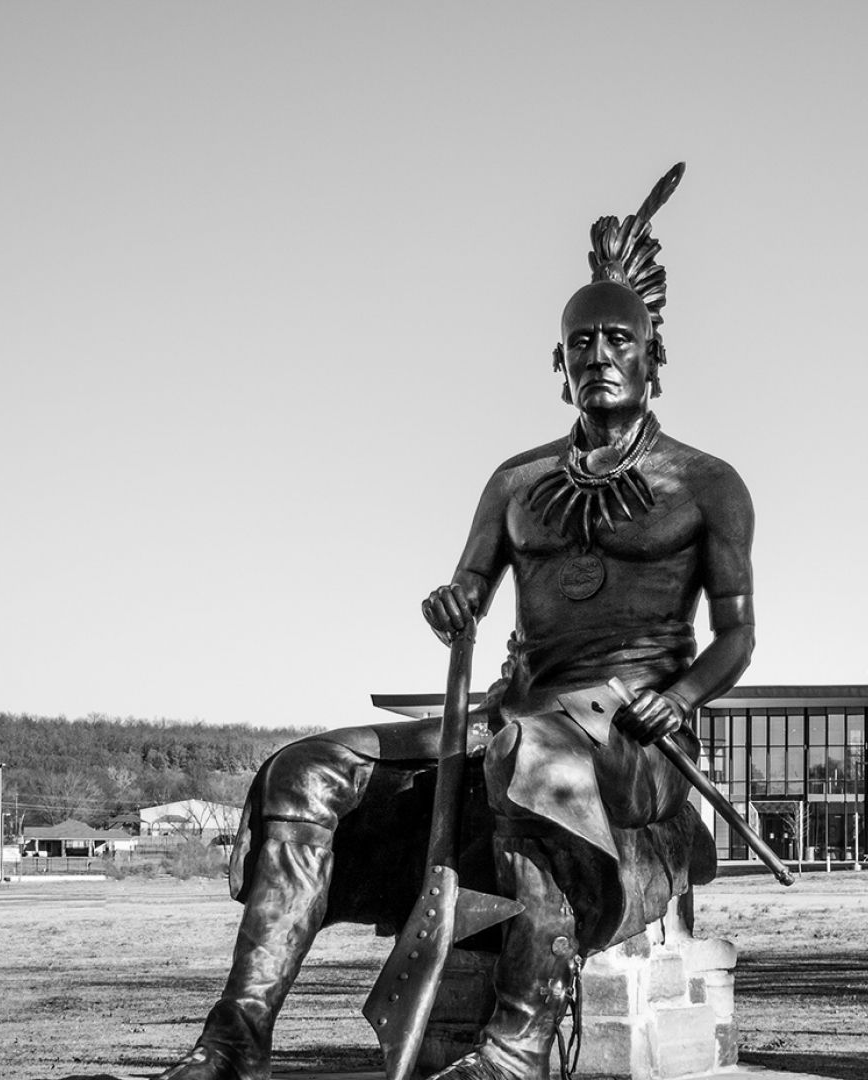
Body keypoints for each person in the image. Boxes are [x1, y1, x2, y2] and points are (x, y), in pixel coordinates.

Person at [161, 163, 754, 1080]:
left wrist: (683, 696)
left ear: (652, 358)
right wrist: (453, 603)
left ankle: (513, 1049)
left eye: (618, 340)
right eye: (581, 342)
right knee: (306, 771)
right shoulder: (515, 483)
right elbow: (468, 590)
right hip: (515, 715)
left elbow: (739, 634)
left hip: (630, 738)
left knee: (534, 756)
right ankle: (237, 1034)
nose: (599, 354)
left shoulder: (707, 484)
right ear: (559, 367)